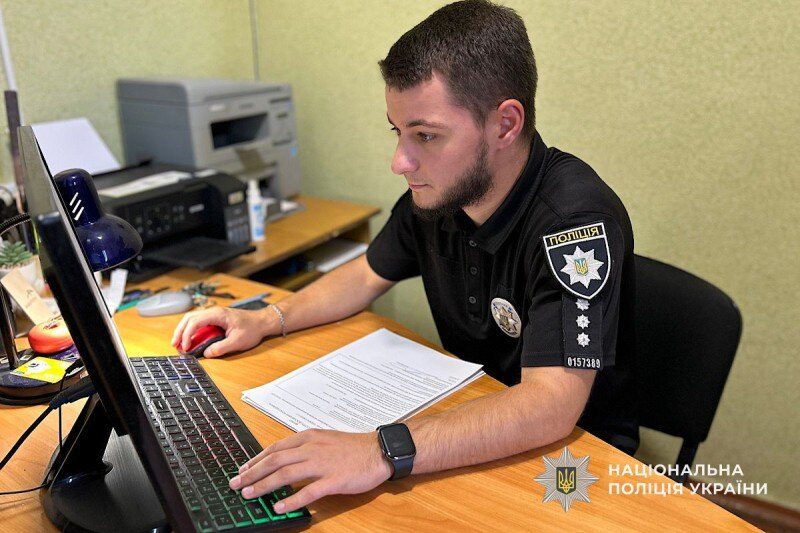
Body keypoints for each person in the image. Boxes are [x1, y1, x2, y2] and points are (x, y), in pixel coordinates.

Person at [172, 0, 638, 514]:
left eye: (426, 135)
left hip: (573, 462)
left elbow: (550, 406)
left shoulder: (574, 223)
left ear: (505, 124)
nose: (400, 162)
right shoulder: (442, 195)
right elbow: (364, 274)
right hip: (470, 419)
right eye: (398, 132)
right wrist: (265, 319)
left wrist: (380, 450)